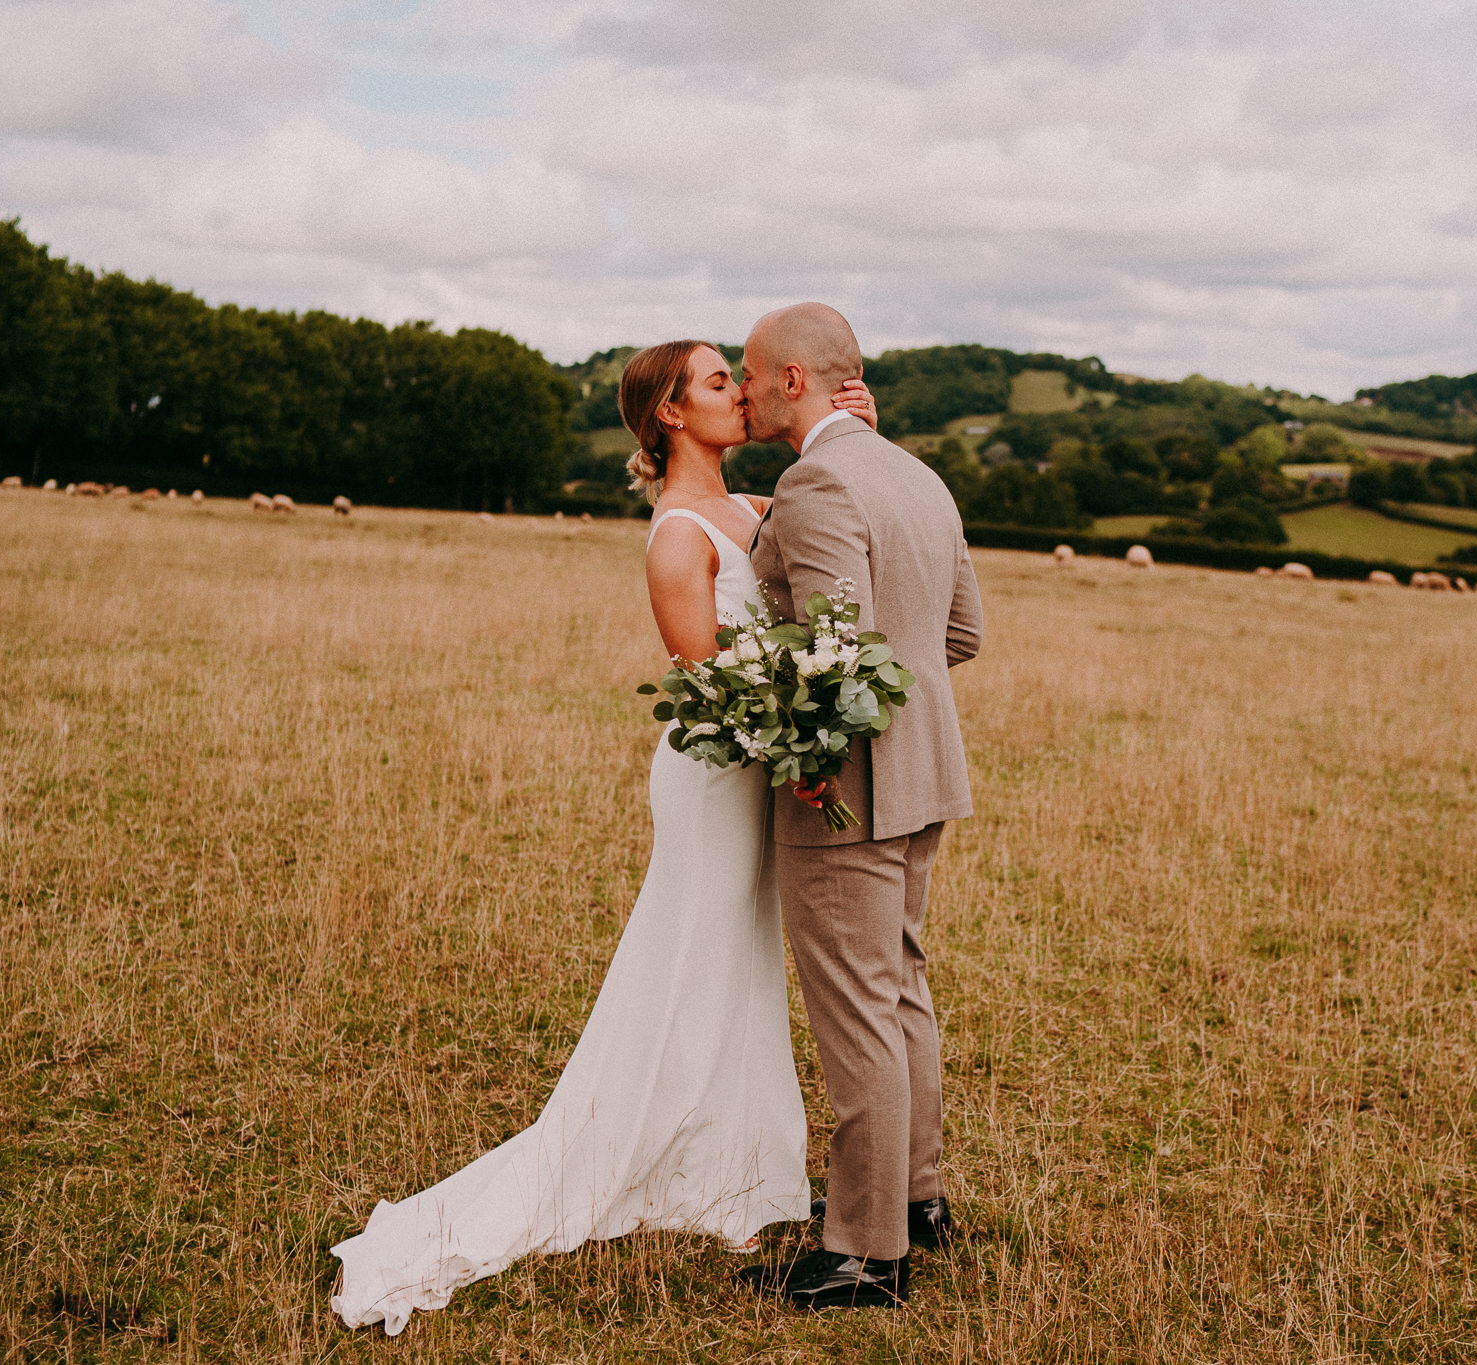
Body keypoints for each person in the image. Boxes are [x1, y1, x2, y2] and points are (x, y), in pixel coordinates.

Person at [327, 343, 879, 1336]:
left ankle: (736, 1171)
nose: (737, 393)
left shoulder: (757, 512)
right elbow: (705, 684)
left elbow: (841, 544)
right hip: (715, 776)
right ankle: (638, 1152)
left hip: (766, 774)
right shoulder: (676, 538)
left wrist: (856, 443)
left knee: (741, 964)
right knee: (689, 957)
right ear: (669, 414)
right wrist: (790, 754)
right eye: (716, 382)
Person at [736, 303, 984, 1310]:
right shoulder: (911, 473)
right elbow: (958, 633)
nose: (744, 391)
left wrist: (815, 753)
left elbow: (837, 645)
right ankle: (915, 1201)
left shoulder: (820, 479)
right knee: (899, 991)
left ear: (794, 378)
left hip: (847, 789)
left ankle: (862, 1254)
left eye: (750, 375)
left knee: (856, 1017)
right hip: (926, 772)